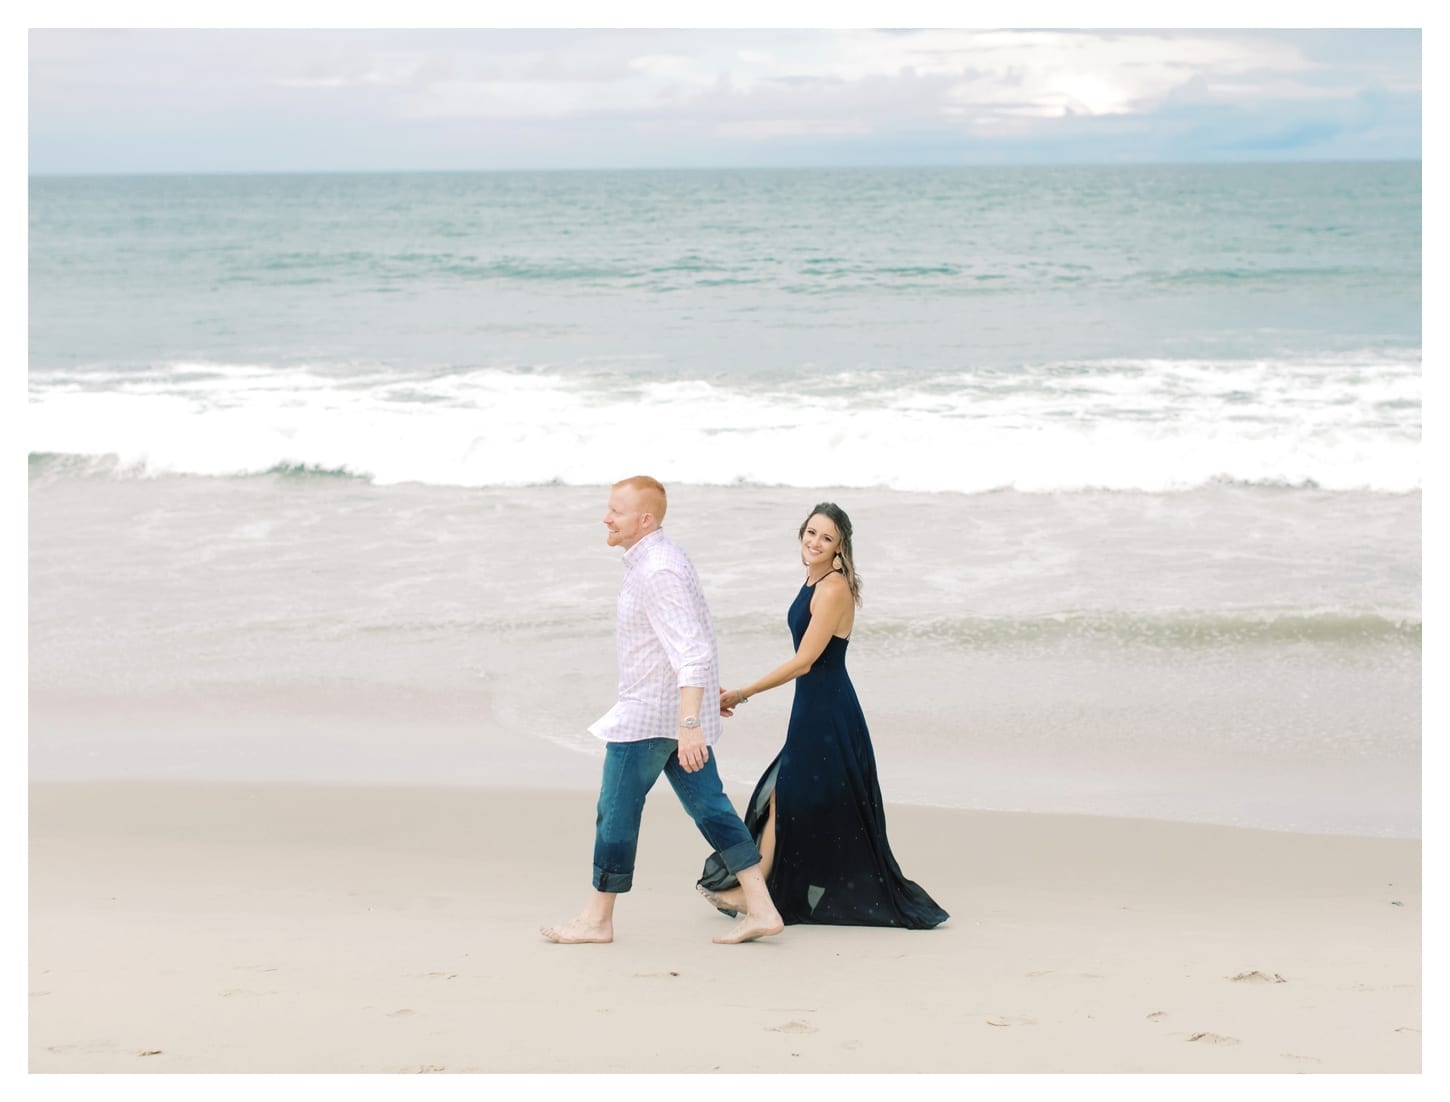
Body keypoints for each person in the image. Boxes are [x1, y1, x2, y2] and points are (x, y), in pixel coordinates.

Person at [541, 476, 784, 946]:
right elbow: (687, 639)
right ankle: (762, 908)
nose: (606, 517)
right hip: (673, 713)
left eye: (616, 510)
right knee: (711, 808)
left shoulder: (657, 570)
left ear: (644, 519)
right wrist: (701, 701)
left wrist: (690, 723)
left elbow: (690, 649)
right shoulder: (662, 559)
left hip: (653, 719)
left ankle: (597, 919)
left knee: (615, 811)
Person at [697, 502, 949, 929]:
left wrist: (742, 692)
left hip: (828, 709)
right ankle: (764, 889)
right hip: (814, 705)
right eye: (810, 532)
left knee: (787, 794)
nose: (815, 542)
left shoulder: (833, 588)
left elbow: (804, 661)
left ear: (841, 547)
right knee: (787, 795)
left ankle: (758, 891)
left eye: (826, 537)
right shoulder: (814, 580)